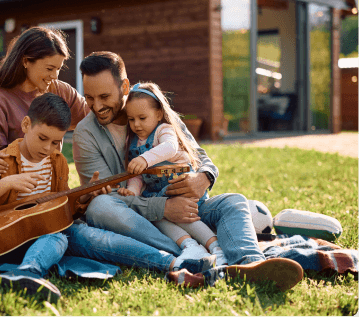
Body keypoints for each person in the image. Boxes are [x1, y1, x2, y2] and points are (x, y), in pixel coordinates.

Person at [72, 51, 304, 290]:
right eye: (89, 97)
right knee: (101, 207)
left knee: (234, 202)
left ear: (124, 86)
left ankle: (250, 264)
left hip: (187, 205)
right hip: (141, 218)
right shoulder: (86, 133)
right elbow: (109, 196)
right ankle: (192, 252)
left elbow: (198, 154)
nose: (96, 106)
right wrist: (164, 208)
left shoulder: (152, 105)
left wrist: (203, 177)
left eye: (104, 96)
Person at [0, 93, 216, 301]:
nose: (47, 148)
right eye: (42, 138)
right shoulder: (4, 161)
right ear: (26, 125)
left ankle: (177, 265)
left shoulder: (56, 163)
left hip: (55, 227)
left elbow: (61, 208)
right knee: (57, 239)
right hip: (20, 235)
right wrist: (6, 183)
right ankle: (28, 272)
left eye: (56, 143)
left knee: (106, 241)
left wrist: (85, 197)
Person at [117, 81, 228, 268]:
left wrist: (145, 159)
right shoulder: (133, 141)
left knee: (185, 217)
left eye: (142, 118)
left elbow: (170, 147)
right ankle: (190, 245)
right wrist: (132, 191)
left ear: (158, 113)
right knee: (157, 216)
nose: (136, 124)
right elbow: (137, 174)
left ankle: (216, 246)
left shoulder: (163, 130)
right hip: (158, 194)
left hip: (180, 186)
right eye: (131, 119)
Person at [0, 26, 89, 177]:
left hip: (50, 185)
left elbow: (93, 118)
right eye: (49, 68)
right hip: (14, 187)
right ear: (26, 61)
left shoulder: (60, 90)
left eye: (58, 69)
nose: (54, 76)